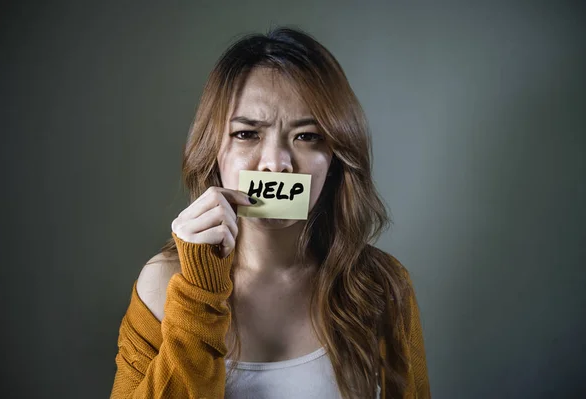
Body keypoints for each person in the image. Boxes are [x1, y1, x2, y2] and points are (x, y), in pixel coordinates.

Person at [110, 26, 430, 399]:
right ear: (213, 149)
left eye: (307, 136)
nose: (276, 164)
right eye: (247, 134)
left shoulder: (381, 287)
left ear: (336, 157)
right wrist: (199, 292)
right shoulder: (162, 284)